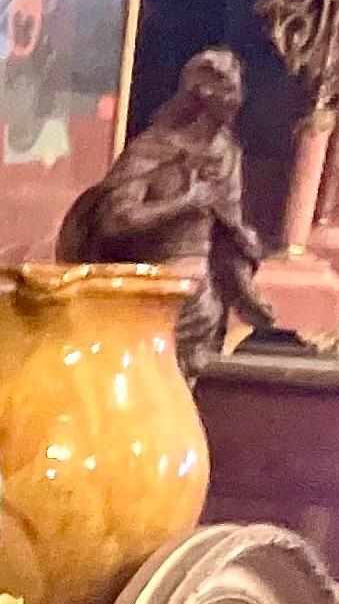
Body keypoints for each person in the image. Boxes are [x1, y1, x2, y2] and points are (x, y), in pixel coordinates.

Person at [55, 47, 276, 366]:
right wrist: (184, 203)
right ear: (202, 94)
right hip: (149, 296)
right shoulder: (153, 149)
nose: (238, 99)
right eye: (229, 89)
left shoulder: (226, 152)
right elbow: (115, 220)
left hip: (202, 303)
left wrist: (244, 286)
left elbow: (228, 231)